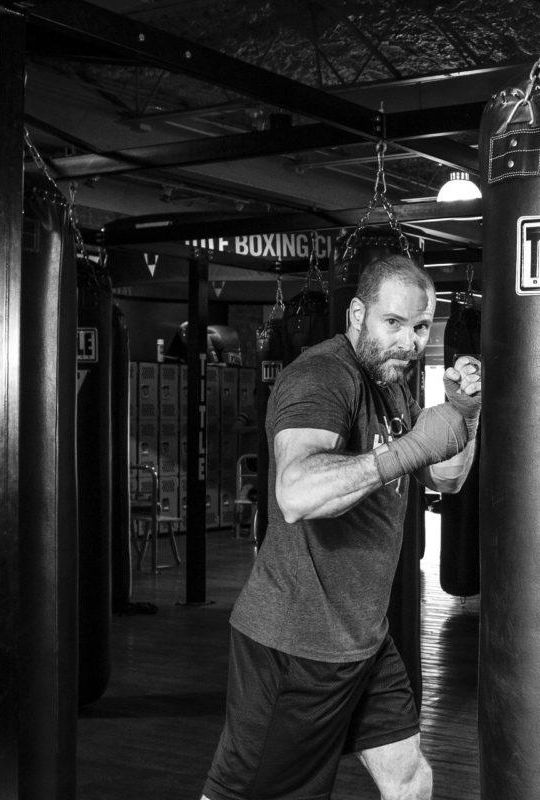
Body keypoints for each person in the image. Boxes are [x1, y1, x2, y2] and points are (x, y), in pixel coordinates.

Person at [201, 254, 481, 800]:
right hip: (295, 645)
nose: (408, 342)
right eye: (393, 323)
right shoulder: (322, 375)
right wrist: (411, 448)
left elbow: (444, 480)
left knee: (410, 780)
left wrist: (464, 414)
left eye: (421, 328)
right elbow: (296, 492)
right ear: (357, 314)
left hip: (362, 639)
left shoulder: (392, 382)